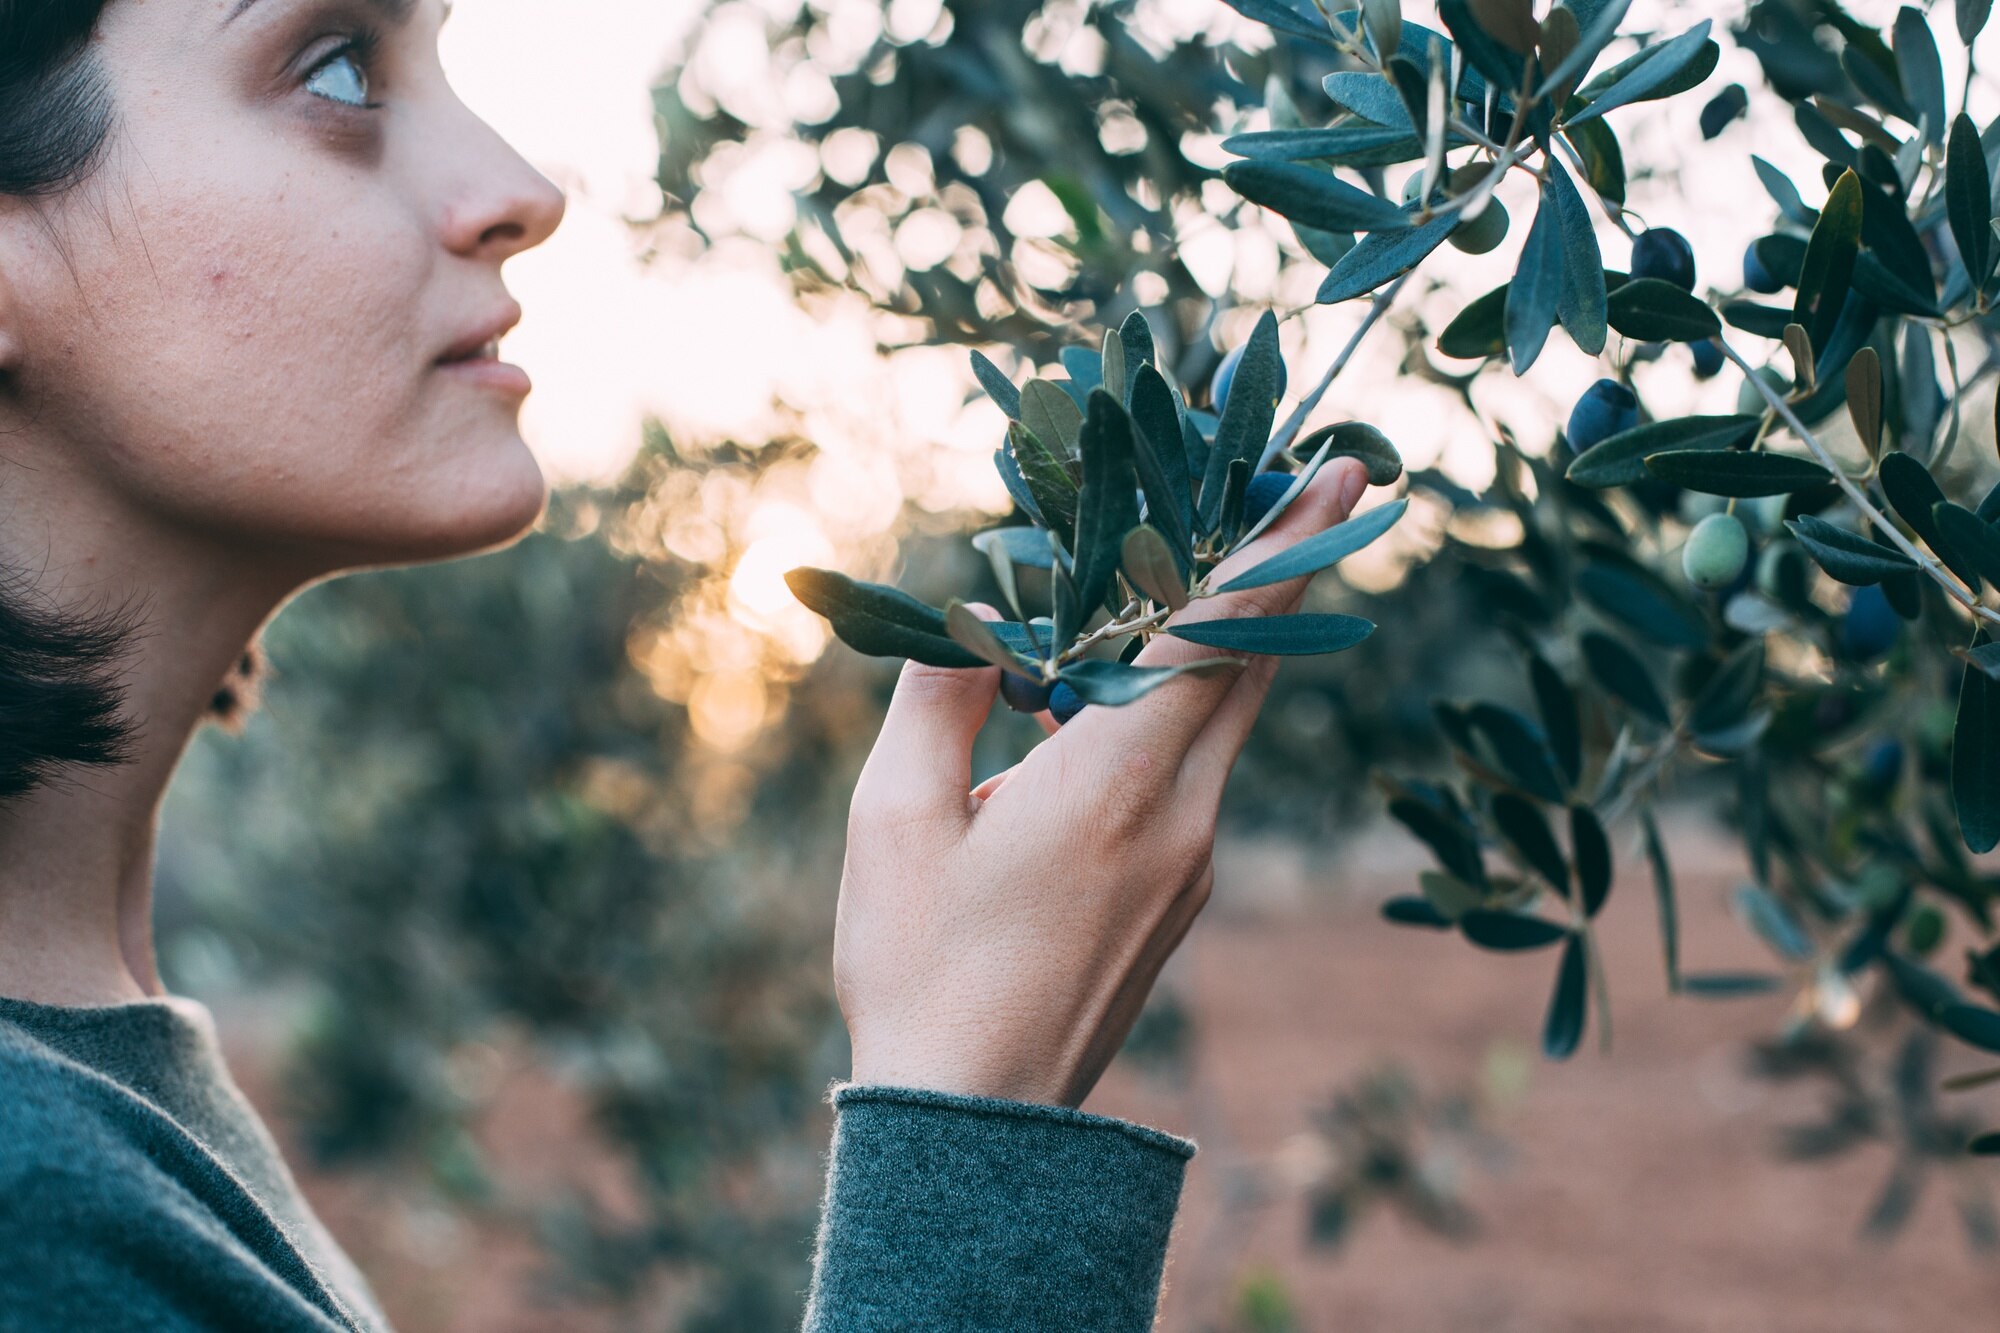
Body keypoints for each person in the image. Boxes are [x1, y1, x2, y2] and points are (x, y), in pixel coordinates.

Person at [0, 1, 1372, 1328]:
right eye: (338, 68)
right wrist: (973, 1110)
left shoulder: (83, 1089)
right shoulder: (29, 1203)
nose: (520, 189)